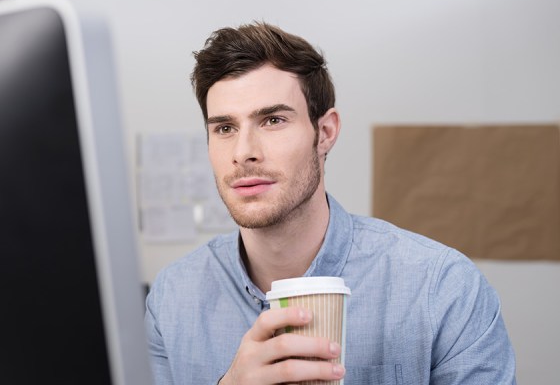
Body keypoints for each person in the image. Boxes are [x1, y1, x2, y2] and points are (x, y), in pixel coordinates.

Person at [143, 21, 517, 385]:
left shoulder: (443, 288)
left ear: (325, 132)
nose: (243, 153)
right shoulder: (172, 297)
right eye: (224, 128)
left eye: (272, 120)